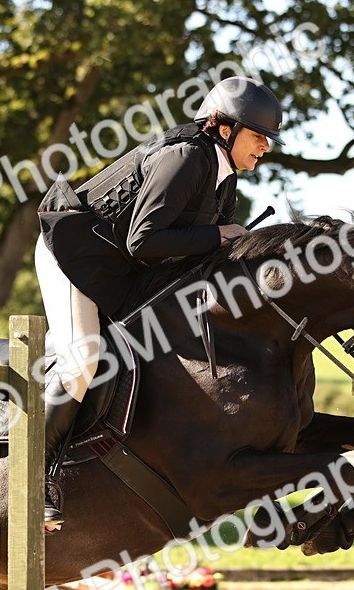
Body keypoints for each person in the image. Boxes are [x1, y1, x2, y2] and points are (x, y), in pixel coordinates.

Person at [35, 76, 284, 526]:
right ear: (224, 128)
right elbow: (143, 240)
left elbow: (198, 257)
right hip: (71, 253)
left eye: (268, 139)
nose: (265, 147)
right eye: (258, 135)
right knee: (85, 356)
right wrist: (217, 235)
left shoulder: (224, 179)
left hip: (117, 266)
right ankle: (37, 475)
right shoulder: (187, 158)